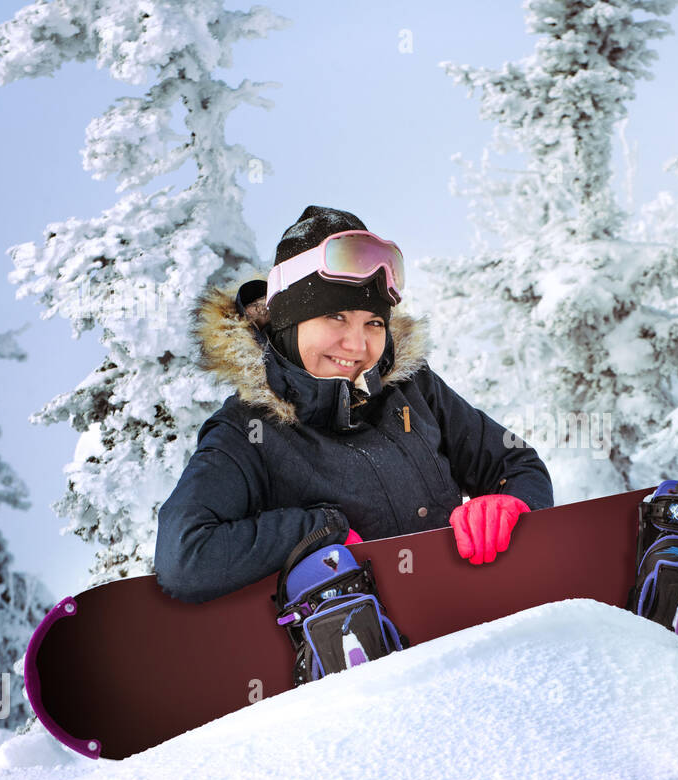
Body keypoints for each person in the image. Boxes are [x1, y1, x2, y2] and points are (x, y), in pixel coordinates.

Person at [154, 205, 553, 604]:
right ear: (287, 324)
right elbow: (185, 555)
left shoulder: (412, 389)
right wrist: (320, 530)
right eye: (335, 316)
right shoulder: (246, 432)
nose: (357, 345)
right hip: (356, 657)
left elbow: (515, 462)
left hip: (465, 624)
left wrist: (508, 503)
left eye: (373, 323)